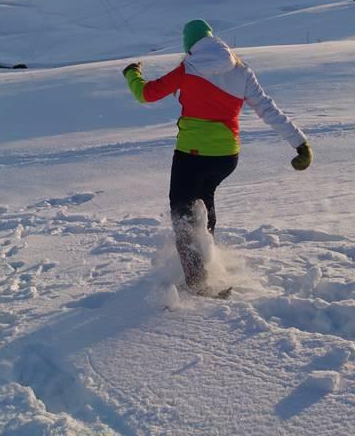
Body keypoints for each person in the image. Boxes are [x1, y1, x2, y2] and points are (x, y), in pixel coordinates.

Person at [122, 20, 312, 295]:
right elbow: (268, 108)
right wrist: (300, 143)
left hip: (191, 155)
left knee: (183, 214)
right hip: (226, 157)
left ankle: (197, 282)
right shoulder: (241, 70)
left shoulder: (188, 68)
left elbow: (146, 94)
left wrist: (132, 73)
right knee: (204, 198)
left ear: (190, 45)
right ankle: (208, 260)